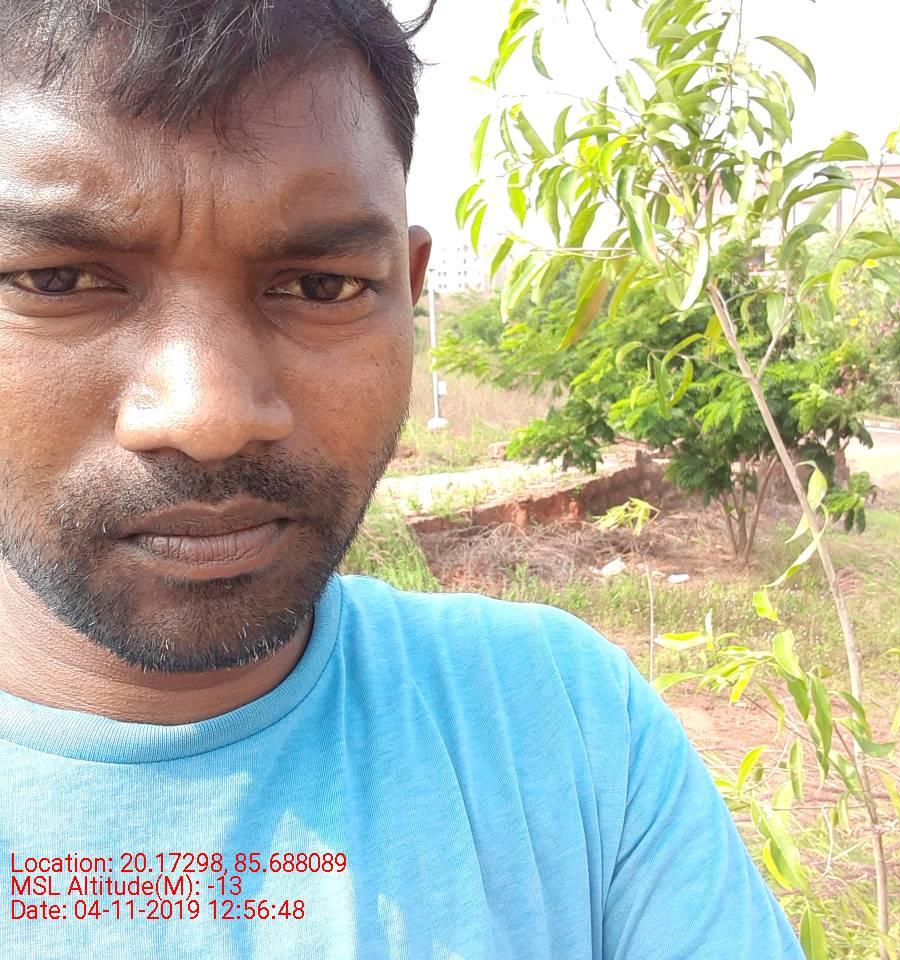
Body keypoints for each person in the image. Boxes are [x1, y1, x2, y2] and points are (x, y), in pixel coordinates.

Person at [0, 1, 805, 957]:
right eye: (57, 280)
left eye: (321, 287)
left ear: (409, 294)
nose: (209, 417)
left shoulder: (560, 719)